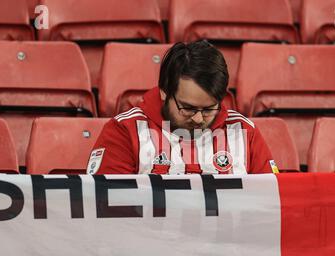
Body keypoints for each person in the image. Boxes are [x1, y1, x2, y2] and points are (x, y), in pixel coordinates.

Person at [87, 40, 278, 175]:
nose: (198, 119)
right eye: (187, 108)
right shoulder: (124, 131)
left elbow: (273, 205)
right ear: (164, 91)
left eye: (209, 109)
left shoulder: (244, 132)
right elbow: (105, 208)